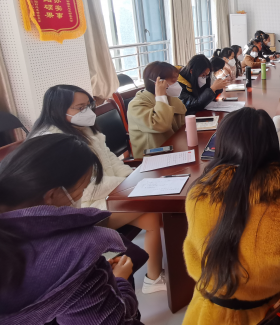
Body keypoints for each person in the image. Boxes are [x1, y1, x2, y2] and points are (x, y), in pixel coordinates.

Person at [183, 107, 280, 324]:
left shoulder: (199, 194)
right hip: (270, 314)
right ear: (272, 146)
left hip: (207, 312)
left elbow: (194, 250)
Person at [28, 84, 166, 293]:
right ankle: (150, 279)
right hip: (80, 209)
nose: (88, 111)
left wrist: (131, 180)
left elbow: (112, 160)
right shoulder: (53, 141)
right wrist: (131, 187)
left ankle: (153, 279)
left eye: (89, 105)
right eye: (80, 107)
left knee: (151, 216)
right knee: (151, 206)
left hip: (109, 194)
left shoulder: (83, 128)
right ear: (58, 109)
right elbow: (87, 188)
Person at [0, 134, 143, 325]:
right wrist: (119, 282)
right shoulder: (76, 259)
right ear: (52, 195)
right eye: (81, 190)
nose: (81, 196)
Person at [128, 61, 187, 159]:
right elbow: (162, 125)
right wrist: (161, 97)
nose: (177, 84)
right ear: (159, 83)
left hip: (174, 149)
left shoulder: (171, 98)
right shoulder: (136, 105)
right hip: (152, 156)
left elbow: (182, 126)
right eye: (173, 81)